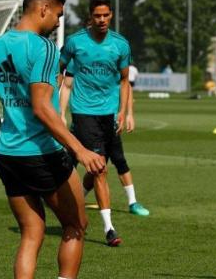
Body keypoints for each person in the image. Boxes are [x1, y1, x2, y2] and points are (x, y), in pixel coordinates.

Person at [0, 0, 104, 279]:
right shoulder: (45, 49)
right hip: (43, 156)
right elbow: (43, 109)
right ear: (43, 9)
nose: (59, 23)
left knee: (31, 231)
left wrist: (4, 133)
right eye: (59, 15)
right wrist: (79, 149)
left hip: (8, 155)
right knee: (76, 227)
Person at [59, 0, 133, 246]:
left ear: (111, 15)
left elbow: (124, 81)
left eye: (106, 15)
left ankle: (66, 194)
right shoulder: (75, 42)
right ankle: (109, 228)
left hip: (110, 115)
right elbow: (58, 70)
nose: (101, 20)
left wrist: (123, 111)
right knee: (100, 168)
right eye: (97, 15)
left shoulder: (121, 45)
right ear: (90, 16)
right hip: (84, 113)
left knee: (92, 167)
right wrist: (55, 106)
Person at [60, 62, 150, 218]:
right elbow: (66, 85)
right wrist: (61, 114)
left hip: (111, 122)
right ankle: (63, 196)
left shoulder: (114, 57)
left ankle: (132, 202)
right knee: (73, 161)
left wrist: (128, 114)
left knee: (116, 160)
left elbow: (125, 85)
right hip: (84, 121)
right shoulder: (79, 58)